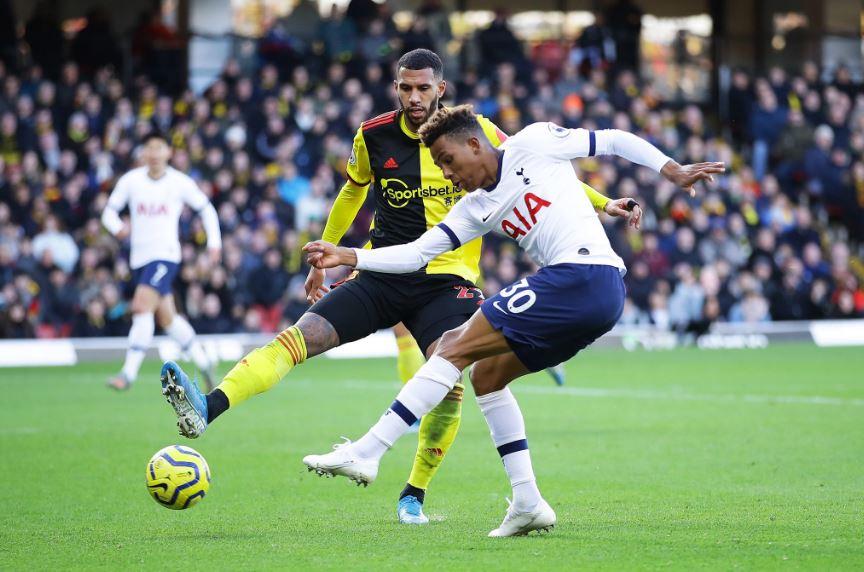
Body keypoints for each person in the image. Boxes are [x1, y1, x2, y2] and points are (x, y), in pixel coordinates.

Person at [158, 49, 626, 526]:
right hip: (384, 271)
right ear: (396, 87)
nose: (414, 96)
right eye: (405, 87)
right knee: (303, 336)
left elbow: (534, 168)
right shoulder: (373, 134)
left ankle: (413, 492)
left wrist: (604, 203)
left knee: (451, 375)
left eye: (423, 88)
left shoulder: (477, 133)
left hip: (448, 281)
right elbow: (352, 190)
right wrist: (329, 252)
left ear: (440, 89)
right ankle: (208, 407)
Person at [300, 105, 724, 536]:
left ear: (473, 143)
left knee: (452, 346)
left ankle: (368, 451)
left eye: (448, 161)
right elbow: (417, 254)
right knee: (486, 377)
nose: (447, 175)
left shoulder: (534, 141)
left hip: (584, 275)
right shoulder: (474, 208)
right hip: (589, 295)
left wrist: (670, 168)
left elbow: (613, 138)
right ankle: (527, 502)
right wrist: (351, 256)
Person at [101, 132, 221, 391]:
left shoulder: (179, 182)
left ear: (169, 152)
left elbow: (206, 209)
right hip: (139, 260)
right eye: (149, 148)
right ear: (143, 153)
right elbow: (108, 212)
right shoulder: (131, 181)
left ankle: (127, 374)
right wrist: (117, 227)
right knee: (167, 318)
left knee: (141, 306)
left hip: (166, 256)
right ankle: (204, 361)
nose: (154, 154)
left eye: (159, 148)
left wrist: (214, 243)